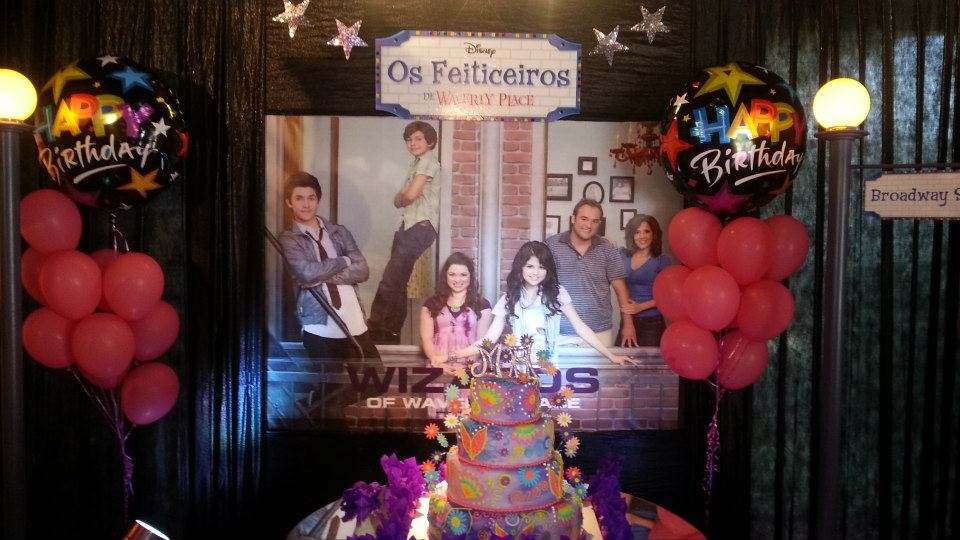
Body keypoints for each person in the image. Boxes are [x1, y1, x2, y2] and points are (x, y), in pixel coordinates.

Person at [277, 171, 380, 363]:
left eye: (311, 198)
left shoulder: (339, 232)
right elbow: (306, 274)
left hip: (354, 321)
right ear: (289, 202)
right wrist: (343, 261)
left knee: (375, 377)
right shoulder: (288, 238)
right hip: (319, 326)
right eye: (299, 198)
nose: (306, 204)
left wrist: (318, 276)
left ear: (318, 201)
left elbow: (362, 270)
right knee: (331, 381)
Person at [481, 241, 635, 366]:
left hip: (550, 367)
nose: (535, 272)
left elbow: (580, 327)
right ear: (520, 268)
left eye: (541, 267)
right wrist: (464, 352)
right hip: (521, 369)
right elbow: (489, 338)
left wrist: (611, 356)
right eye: (530, 266)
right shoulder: (509, 298)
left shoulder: (557, 293)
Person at [367, 120, 442, 344]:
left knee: (390, 281)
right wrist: (404, 197)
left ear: (430, 142)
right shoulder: (416, 164)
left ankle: (376, 329)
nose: (412, 143)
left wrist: (405, 196)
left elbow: (407, 196)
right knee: (397, 282)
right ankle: (390, 332)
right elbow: (397, 200)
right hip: (409, 225)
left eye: (418, 139)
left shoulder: (428, 162)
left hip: (419, 226)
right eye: (409, 140)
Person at [545, 198, 635, 347]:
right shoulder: (551, 246)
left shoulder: (608, 249)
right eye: (584, 219)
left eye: (595, 221)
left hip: (599, 331)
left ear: (599, 223)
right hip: (560, 331)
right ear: (573, 219)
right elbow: (539, 284)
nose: (588, 225)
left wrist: (628, 324)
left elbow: (621, 289)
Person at [419, 252, 493, 373]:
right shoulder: (431, 304)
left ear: (471, 276)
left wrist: (466, 368)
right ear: (445, 276)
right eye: (452, 274)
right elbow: (426, 339)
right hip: (437, 367)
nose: (457, 280)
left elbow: (481, 342)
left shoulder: (482, 304)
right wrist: (438, 364)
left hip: (469, 369)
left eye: (463, 275)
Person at [617, 214, 671, 347]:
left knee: (647, 361)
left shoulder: (662, 261)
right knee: (622, 358)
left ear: (654, 234)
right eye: (637, 232)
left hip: (652, 323)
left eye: (646, 231)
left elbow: (667, 297)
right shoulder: (623, 255)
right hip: (627, 320)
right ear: (632, 235)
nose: (642, 236)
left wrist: (639, 307)